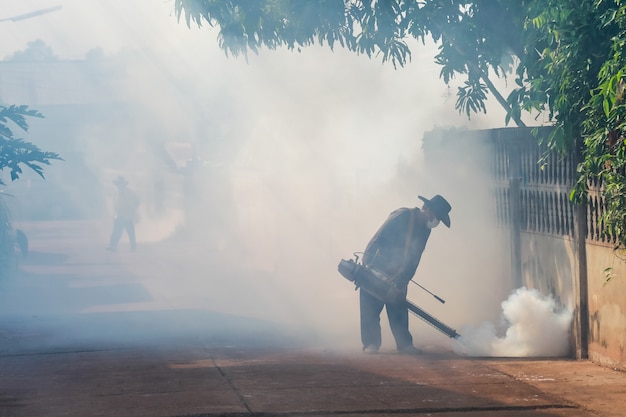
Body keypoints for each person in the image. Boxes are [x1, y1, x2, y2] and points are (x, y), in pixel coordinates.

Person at [360, 194, 451, 354]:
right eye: (437, 217)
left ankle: (404, 345)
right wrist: (368, 265)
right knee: (370, 307)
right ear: (427, 210)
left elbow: (415, 257)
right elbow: (377, 239)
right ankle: (371, 344)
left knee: (398, 307)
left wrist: (403, 279)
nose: (436, 222)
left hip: (399, 273)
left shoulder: (425, 231)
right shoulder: (401, 216)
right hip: (377, 267)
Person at [107, 176, 140, 252]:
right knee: (116, 232)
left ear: (123, 185)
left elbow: (137, 201)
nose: (119, 186)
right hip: (119, 215)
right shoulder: (116, 193)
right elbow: (114, 204)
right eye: (118, 184)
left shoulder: (129, 192)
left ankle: (133, 248)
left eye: (120, 184)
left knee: (130, 233)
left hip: (128, 216)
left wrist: (131, 208)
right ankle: (112, 246)